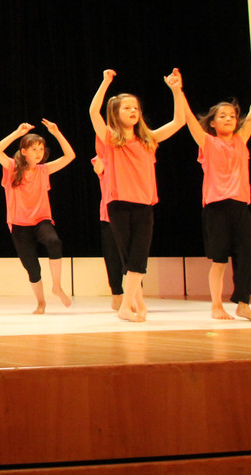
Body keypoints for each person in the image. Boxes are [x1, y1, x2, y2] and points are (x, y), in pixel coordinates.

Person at [89, 68, 184, 323]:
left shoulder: (148, 140)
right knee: (130, 258)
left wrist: (177, 91)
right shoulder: (110, 139)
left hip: (144, 205)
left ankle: (134, 305)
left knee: (138, 257)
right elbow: (93, 112)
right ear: (116, 113)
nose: (133, 111)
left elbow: (179, 121)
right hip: (119, 205)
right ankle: (129, 306)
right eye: (127, 108)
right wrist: (105, 83)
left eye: (136, 108)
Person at [178, 67, 251, 321]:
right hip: (216, 208)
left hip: (240, 206)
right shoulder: (207, 142)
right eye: (223, 116)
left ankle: (243, 303)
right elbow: (188, 118)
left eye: (232, 115)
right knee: (219, 260)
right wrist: (178, 89)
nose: (229, 118)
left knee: (248, 254)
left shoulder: (240, 140)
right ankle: (216, 306)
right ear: (213, 122)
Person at [0, 120, 76, 314]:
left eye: (41, 149)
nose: (39, 153)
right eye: (34, 149)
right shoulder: (12, 167)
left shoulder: (43, 170)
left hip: (40, 220)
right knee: (32, 267)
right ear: (23, 151)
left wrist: (56, 132)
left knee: (54, 242)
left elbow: (70, 156)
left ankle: (57, 286)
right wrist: (17, 133)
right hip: (19, 224)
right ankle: (41, 302)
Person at [91, 154, 125, 311]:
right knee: (112, 257)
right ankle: (117, 294)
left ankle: (135, 294)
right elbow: (98, 168)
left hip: (132, 209)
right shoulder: (104, 154)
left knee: (133, 255)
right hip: (109, 213)